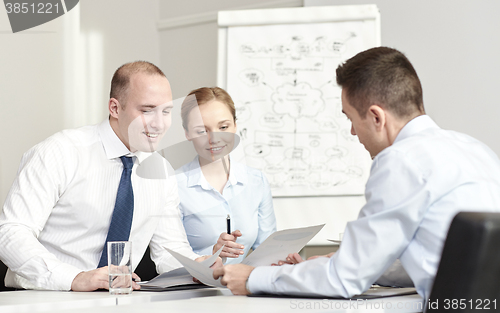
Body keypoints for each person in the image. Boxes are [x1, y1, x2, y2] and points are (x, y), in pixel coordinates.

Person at [213, 47, 500, 300]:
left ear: (376, 117)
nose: (352, 131)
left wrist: (252, 278)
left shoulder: (400, 160)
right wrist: (347, 263)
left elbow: (344, 278)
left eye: (350, 118)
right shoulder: (476, 150)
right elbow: (435, 262)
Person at [0, 61, 213, 291]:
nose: (159, 124)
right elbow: (11, 232)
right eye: (146, 110)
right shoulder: (60, 152)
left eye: (167, 111)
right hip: (43, 297)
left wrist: (196, 267)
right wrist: (75, 278)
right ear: (114, 108)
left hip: (115, 299)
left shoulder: (161, 172)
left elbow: (169, 249)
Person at [175, 87, 276, 263]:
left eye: (223, 127)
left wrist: (282, 260)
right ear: (187, 133)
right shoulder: (174, 185)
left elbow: (267, 250)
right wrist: (212, 254)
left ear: (235, 126)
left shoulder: (256, 181)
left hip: (242, 287)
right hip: (193, 288)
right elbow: (169, 256)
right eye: (201, 131)